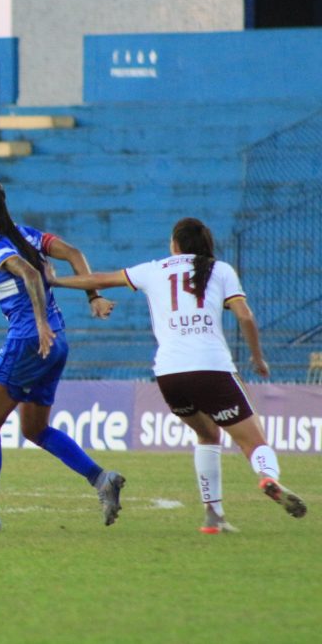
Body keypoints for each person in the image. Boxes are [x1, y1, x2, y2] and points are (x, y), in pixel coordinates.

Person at [50, 216, 307, 532]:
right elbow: (246, 316)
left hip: (169, 374)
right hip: (211, 368)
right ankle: (268, 477)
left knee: (207, 434)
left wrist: (55, 281)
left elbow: (99, 279)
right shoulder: (221, 270)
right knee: (253, 442)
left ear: (175, 245)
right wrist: (258, 358)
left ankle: (214, 518)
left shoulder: (154, 269)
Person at [0, 179, 125, 532]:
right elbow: (74, 253)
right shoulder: (29, 234)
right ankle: (101, 478)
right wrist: (92, 297)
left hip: (31, 339)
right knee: (34, 427)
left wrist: (41, 323)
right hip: (57, 342)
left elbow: (29, 273)